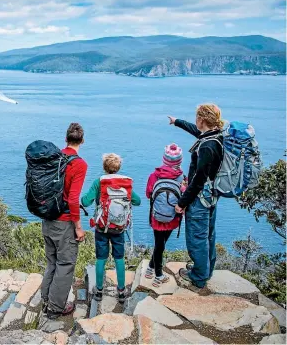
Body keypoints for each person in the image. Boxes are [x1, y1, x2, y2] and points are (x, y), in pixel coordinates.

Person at [168, 104, 224, 289]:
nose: (195, 121)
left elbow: (198, 180)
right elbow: (196, 131)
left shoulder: (207, 146)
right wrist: (177, 122)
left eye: (196, 117)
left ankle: (199, 276)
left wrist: (182, 203)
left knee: (197, 237)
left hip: (200, 198)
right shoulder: (216, 136)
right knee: (208, 234)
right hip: (212, 195)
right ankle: (206, 269)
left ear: (202, 119)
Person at [42, 123, 88, 319]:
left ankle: (46, 299)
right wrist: (78, 227)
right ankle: (55, 308)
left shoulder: (53, 158)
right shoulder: (79, 164)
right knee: (66, 264)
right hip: (64, 222)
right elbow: (73, 199)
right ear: (82, 141)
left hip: (47, 218)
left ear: (66, 139)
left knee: (52, 262)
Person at [81, 153, 141, 303]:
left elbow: (86, 201)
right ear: (118, 167)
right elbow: (138, 201)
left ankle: (99, 291)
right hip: (119, 228)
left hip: (101, 227)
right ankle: (121, 291)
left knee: (101, 258)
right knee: (119, 258)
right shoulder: (125, 184)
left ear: (104, 167)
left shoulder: (98, 183)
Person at [145, 143, 186, 287]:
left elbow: (148, 194)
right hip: (173, 217)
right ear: (179, 162)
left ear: (164, 159)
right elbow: (184, 197)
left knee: (159, 245)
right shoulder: (182, 178)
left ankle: (150, 268)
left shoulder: (154, 175)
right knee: (160, 245)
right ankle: (158, 276)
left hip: (156, 217)